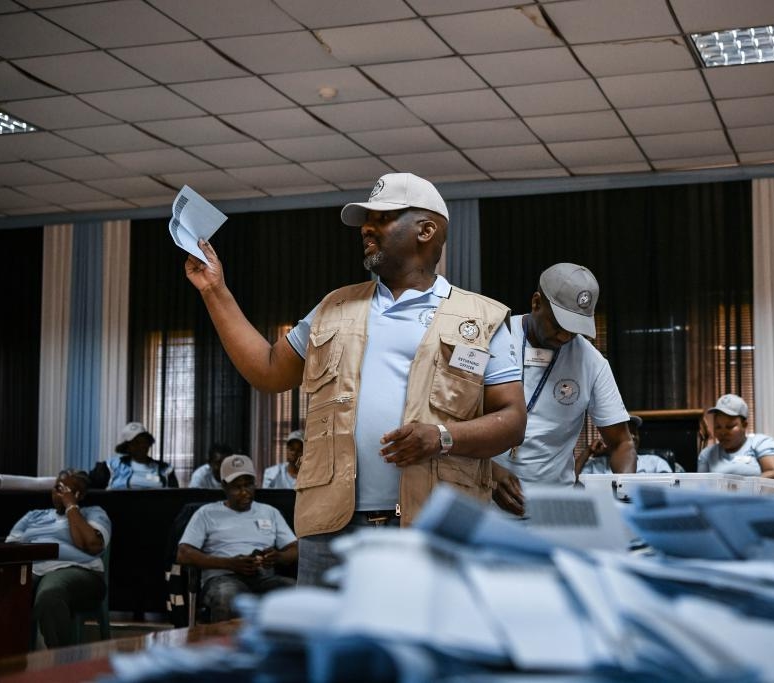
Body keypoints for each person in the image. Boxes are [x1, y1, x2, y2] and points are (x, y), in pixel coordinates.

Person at [184, 172, 525, 586]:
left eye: (382, 218)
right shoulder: (333, 307)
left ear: (426, 230)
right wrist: (214, 290)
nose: (367, 227)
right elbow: (269, 371)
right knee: (327, 645)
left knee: (414, 647)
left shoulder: (482, 318)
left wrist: (442, 436)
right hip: (332, 528)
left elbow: (512, 420)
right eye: (367, 219)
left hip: (433, 524)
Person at [491, 263, 636, 516]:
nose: (565, 337)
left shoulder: (592, 362)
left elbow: (622, 443)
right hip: (484, 505)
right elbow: (450, 417)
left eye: (575, 329)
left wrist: (625, 497)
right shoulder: (493, 338)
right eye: (558, 325)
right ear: (536, 303)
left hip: (554, 512)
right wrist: (488, 470)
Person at [176, 454, 298, 622]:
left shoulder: (269, 512)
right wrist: (230, 563)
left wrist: (278, 557)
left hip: (263, 577)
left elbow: (295, 548)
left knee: (298, 591)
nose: (244, 492)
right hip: (222, 577)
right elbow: (184, 554)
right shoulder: (206, 513)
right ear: (224, 486)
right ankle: (225, 647)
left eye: (248, 485)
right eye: (236, 487)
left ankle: (285, 646)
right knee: (228, 596)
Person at [6, 470, 111, 648]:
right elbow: (11, 549)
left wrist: (71, 506)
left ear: (81, 494)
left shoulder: (93, 513)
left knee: (50, 595)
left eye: (69, 489)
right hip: (32, 569)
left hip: (76, 570)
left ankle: (60, 662)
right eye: (58, 488)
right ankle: (8, 660)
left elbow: (92, 544)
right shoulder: (34, 516)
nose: (62, 493)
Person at [697, 394, 774, 480]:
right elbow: (701, 488)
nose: (723, 432)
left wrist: (737, 489)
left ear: (744, 425)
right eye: (718, 427)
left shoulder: (761, 443)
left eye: (730, 427)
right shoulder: (707, 454)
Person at [90, 422, 178, 489]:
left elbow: (176, 497)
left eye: (144, 441)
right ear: (127, 447)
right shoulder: (110, 467)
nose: (142, 446)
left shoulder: (165, 469)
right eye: (136, 443)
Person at [579, 414, 673, 475]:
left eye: (634, 433)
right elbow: (571, 485)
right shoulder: (595, 464)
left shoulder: (656, 463)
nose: (632, 437)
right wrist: (588, 451)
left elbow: (671, 489)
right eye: (626, 434)